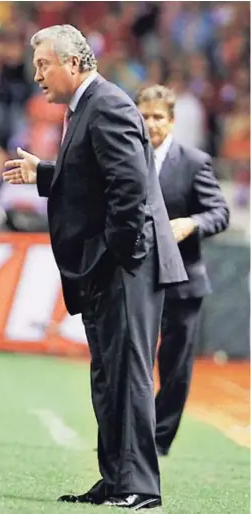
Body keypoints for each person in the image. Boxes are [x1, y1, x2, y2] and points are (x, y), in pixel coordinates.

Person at [2, 25, 187, 510]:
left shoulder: (106, 104)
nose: (37, 73)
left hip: (127, 267)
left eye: (44, 63)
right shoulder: (87, 106)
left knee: (128, 377)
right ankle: (116, 478)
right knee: (109, 378)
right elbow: (93, 177)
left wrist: (117, 257)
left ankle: (140, 487)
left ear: (74, 63)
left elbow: (130, 191)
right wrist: (45, 173)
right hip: (112, 267)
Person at [135, 85, 230, 457]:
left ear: (172, 121)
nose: (151, 123)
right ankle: (132, 433)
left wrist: (191, 223)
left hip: (184, 280)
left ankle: (159, 442)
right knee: (134, 358)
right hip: (137, 277)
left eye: (158, 116)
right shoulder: (126, 157)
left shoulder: (193, 161)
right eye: (145, 115)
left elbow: (219, 213)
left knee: (174, 368)